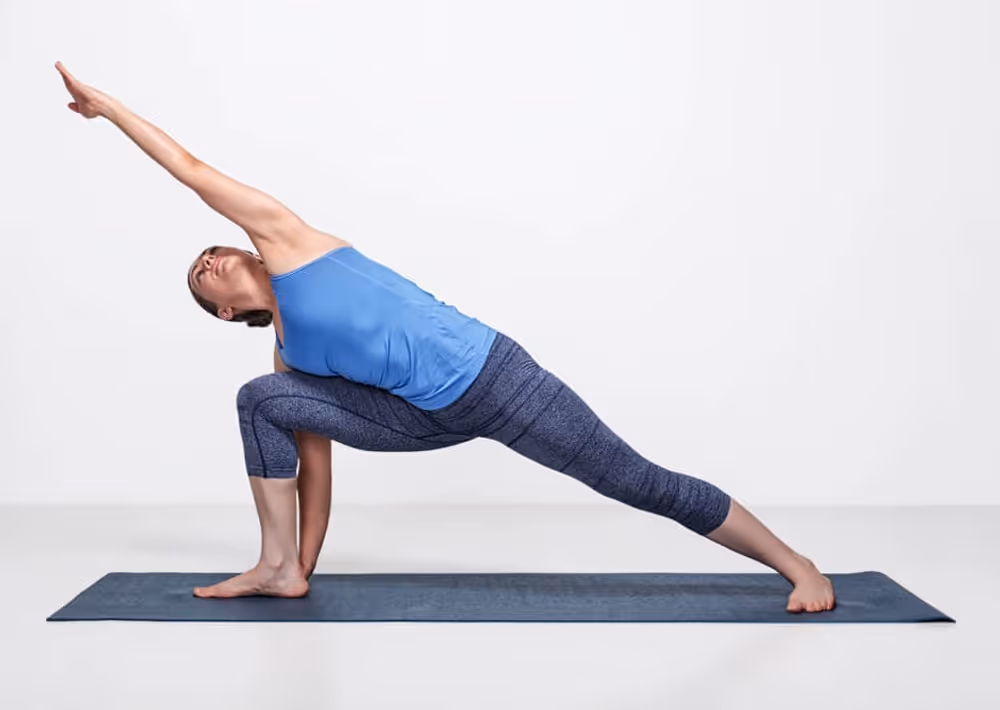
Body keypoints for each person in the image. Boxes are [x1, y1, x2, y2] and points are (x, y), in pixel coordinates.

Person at [55, 61, 835, 613]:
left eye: (214, 248)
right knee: (260, 400)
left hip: (496, 380)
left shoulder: (286, 237)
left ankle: (793, 563)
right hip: (418, 420)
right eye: (202, 271)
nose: (214, 256)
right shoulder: (286, 358)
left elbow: (189, 168)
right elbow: (315, 471)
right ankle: (276, 565)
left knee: (634, 481)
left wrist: (108, 109)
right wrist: (306, 569)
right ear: (224, 309)